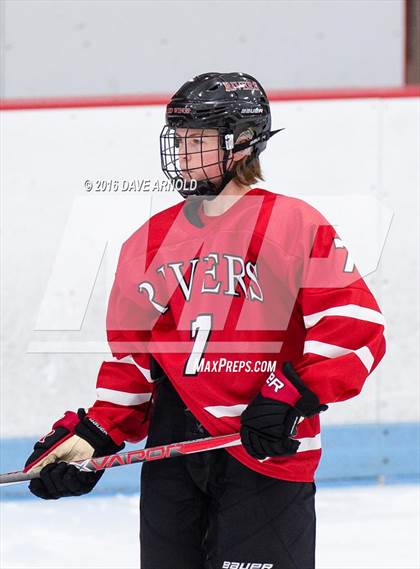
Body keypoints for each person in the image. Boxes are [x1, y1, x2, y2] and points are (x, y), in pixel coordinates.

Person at [24, 72, 386, 569]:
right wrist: (94, 434)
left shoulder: (294, 223)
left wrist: (289, 393)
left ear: (242, 143)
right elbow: (134, 361)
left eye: (198, 139)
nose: (184, 152)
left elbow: (354, 326)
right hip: (172, 454)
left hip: (265, 446)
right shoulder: (146, 243)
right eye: (179, 139)